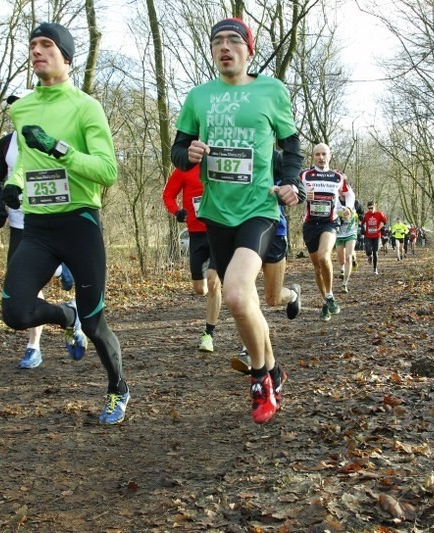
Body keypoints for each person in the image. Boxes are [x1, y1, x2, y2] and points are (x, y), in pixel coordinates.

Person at [171, 17, 305, 424]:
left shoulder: (272, 91)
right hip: (215, 213)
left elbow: (292, 147)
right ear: (212, 52)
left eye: (233, 41)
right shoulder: (199, 97)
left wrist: (290, 182)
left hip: (259, 210)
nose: (225, 47)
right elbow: (178, 152)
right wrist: (188, 153)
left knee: (233, 293)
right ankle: (275, 369)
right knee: (244, 301)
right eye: (217, 42)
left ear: (249, 50)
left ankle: (261, 377)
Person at [0, 22, 130, 424]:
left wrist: (59, 149)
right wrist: (12, 185)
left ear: (67, 57)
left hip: (80, 224)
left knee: (95, 322)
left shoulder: (86, 107)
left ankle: (118, 389)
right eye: (33, 45)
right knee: (15, 312)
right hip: (37, 227)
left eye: (47, 45)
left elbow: (107, 171)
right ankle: (65, 316)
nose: (37, 51)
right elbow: (22, 161)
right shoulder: (20, 109)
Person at [0, 92, 74, 369]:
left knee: (37, 281)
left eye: (21, 104)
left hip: (45, 219)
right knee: (20, 293)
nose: (15, 110)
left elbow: (65, 172)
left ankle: (32, 345)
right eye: (11, 106)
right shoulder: (6, 143)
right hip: (18, 223)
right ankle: (42, 338)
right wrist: (1, 209)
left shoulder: (45, 135)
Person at [232, 151, 302, 374]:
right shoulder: (236, 153)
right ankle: (249, 349)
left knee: (272, 298)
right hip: (243, 230)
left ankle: (292, 294)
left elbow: (300, 191)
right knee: (244, 292)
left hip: (275, 231)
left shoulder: (277, 157)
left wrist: (285, 191)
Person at [163, 165, 222, 353]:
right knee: (200, 289)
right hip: (196, 235)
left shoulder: (219, 164)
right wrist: (177, 211)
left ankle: (208, 334)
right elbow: (168, 195)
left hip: (219, 231)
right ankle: (213, 288)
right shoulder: (184, 169)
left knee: (213, 282)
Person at [300, 143, 354, 321]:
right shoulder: (305, 175)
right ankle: (326, 302)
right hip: (310, 225)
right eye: (317, 154)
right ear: (313, 157)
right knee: (317, 268)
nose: (321, 157)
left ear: (330, 156)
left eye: (324, 154)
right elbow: (292, 190)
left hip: (329, 223)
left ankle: (330, 295)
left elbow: (349, 194)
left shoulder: (337, 176)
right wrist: (302, 196)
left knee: (324, 257)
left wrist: (348, 208)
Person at [335, 200, 359, 293]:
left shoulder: (353, 203)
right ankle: (343, 269)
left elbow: (360, 212)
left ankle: (345, 283)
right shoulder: (336, 203)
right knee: (341, 260)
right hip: (339, 235)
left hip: (351, 234)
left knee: (348, 257)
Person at [362, 201, 387, 274]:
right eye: (369, 208)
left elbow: (385, 222)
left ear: (374, 207)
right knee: (368, 251)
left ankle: (375, 268)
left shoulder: (379, 214)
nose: (370, 210)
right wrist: (363, 228)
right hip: (368, 235)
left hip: (377, 236)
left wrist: (379, 228)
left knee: (375, 252)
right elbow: (362, 223)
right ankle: (369, 256)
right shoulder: (366, 215)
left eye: (372, 208)